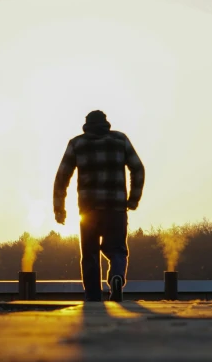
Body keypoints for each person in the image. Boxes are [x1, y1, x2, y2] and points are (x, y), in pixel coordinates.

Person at [53, 110, 145, 302]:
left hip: (88, 211)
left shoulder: (77, 143)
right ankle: (116, 276)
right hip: (116, 209)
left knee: (90, 255)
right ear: (106, 123)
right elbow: (138, 168)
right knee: (118, 249)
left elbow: (62, 177)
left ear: (86, 125)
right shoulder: (120, 140)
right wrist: (133, 199)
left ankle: (93, 297)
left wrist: (59, 208)